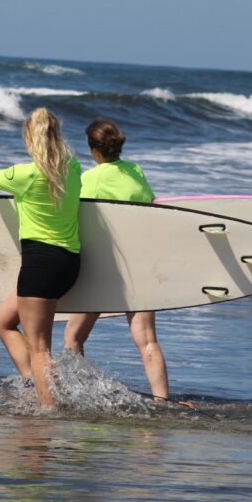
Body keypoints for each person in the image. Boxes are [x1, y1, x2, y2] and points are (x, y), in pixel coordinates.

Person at [0, 107, 82, 408]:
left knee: (40, 348)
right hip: (69, 262)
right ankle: (37, 384)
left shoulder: (24, 175)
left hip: (40, 265)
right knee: (4, 321)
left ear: (29, 138)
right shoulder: (73, 169)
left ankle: (50, 412)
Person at [63, 118, 170, 400]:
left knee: (73, 338)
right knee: (147, 341)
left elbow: (75, 219)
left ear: (93, 149)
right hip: (139, 266)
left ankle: (81, 397)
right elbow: (150, 206)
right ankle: (163, 402)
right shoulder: (136, 171)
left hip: (104, 269)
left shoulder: (91, 179)